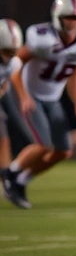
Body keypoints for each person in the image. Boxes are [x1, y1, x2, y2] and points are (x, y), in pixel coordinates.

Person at [1, 0, 76, 209]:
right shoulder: (41, 38)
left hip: (52, 97)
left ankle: (20, 181)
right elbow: (14, 66)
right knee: (42, 145)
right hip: (28, 94)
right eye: (69, 17)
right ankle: (9, 173)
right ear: (58, 17)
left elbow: (75, 75)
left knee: (63, 151)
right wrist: (24, 96)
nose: (74, 22)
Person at [0, 20, 33, 172]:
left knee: (3, 140)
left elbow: (5, 83)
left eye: (13, 51)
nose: (10, 56)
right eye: (7, 51)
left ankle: (5, 176)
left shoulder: (14, 63)